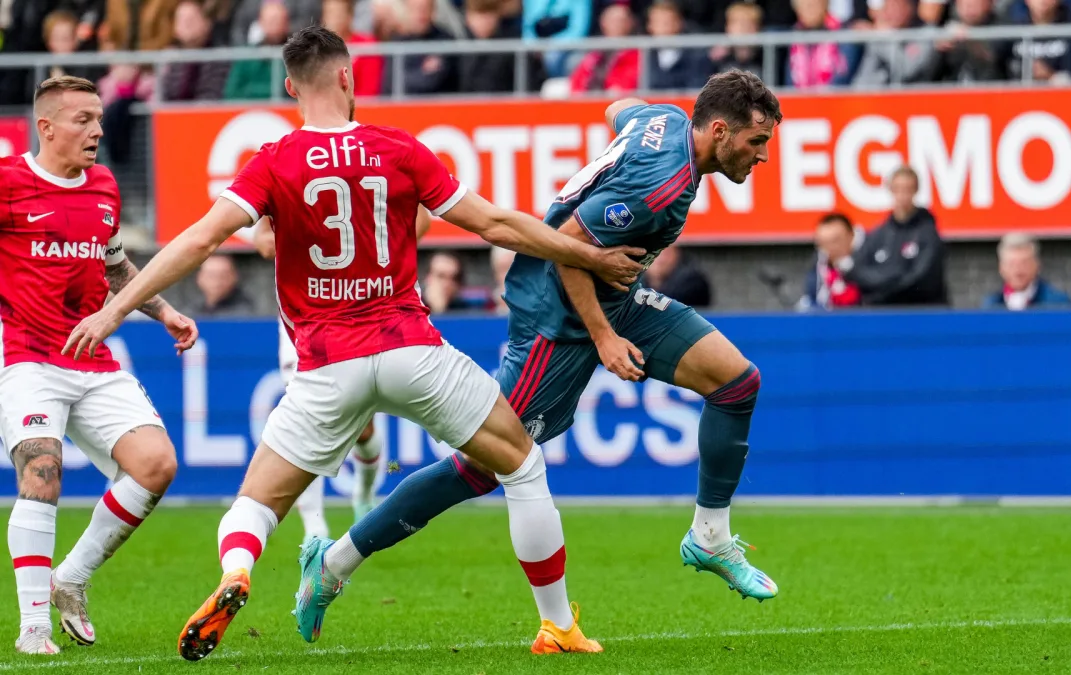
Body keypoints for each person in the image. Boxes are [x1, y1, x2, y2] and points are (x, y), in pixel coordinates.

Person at [63, 26, 644, 661]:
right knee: (521, 465)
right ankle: (557, 627)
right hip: (412, 351)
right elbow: (497, 224)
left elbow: (200, 240)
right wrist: (589, 253)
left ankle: (238, 573)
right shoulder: (398, 149)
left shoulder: (274, 160)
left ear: (290, 87)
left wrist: (117, 308)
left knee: (256, 505)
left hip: (325, 368)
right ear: (349, 77)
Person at [324, 70, 784, 613]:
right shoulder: (659, 185)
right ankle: (334, 563)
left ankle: (709, 537)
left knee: (736, 382)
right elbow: (567, 246)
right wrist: (605, 338)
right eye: (757, 142)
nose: (762, 158)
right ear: (721, 131)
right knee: (481, 467)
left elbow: (620, 107)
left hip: (618, 294)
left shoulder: (661, 119)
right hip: (559, 314)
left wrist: (615, 158)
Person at [2, 76, 198, 655]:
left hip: (92, 357)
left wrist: (163, 310)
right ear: (48, 127)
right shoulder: (9, 182)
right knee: (43, 471)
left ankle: (73, 577)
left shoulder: (105, 185)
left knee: (157, 465)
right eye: (84, 119)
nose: (97, 130)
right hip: (27, 357)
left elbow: (114, 266)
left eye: (99, 118)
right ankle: (34, 628)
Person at [250, 210, 433, 540]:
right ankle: (314, 532)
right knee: (309, 424)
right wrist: (311, 248)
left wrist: (369, 249)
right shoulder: (284, 168)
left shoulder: (375, 162)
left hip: (360, 310)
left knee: (363, 430)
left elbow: (419, 218)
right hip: (304, 321)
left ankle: (363, 494)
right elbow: (263, 240)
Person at [832, 165, 948, 306]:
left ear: (915, 191)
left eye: (907, 189)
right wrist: (894, 276)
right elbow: (856, 271)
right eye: (897, 189)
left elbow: (922, 280)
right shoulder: (878, 234)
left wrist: (881, 286)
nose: (902, 195)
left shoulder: (928, 234)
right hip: (884, 314)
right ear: (890, 190)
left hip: (922, 313)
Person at [981, 233, 1071, 309]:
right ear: (1001, 268)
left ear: (1037, 265)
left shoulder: (1058, 304)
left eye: (1024, 263)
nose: (1018, 270)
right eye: (1012, 264)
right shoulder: (991, 305)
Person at [802, 212, 863, 309]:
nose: (830, 248)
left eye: (835, 241)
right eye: (823, 243)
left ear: (851, 236)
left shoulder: (870, 259)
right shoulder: (818, 265)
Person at [644, 245, 712, 308]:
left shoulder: (692, 282)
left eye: (666, 254)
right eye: (653, 254)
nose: (660, 260)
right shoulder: (638, 281)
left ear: (677, 254)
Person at [192, 254, 258, 315]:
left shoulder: (244, 312)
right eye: (211, 275)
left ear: (234, 277)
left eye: (223, 275)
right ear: (199, 278)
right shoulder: (191, 309)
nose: (217, 281)